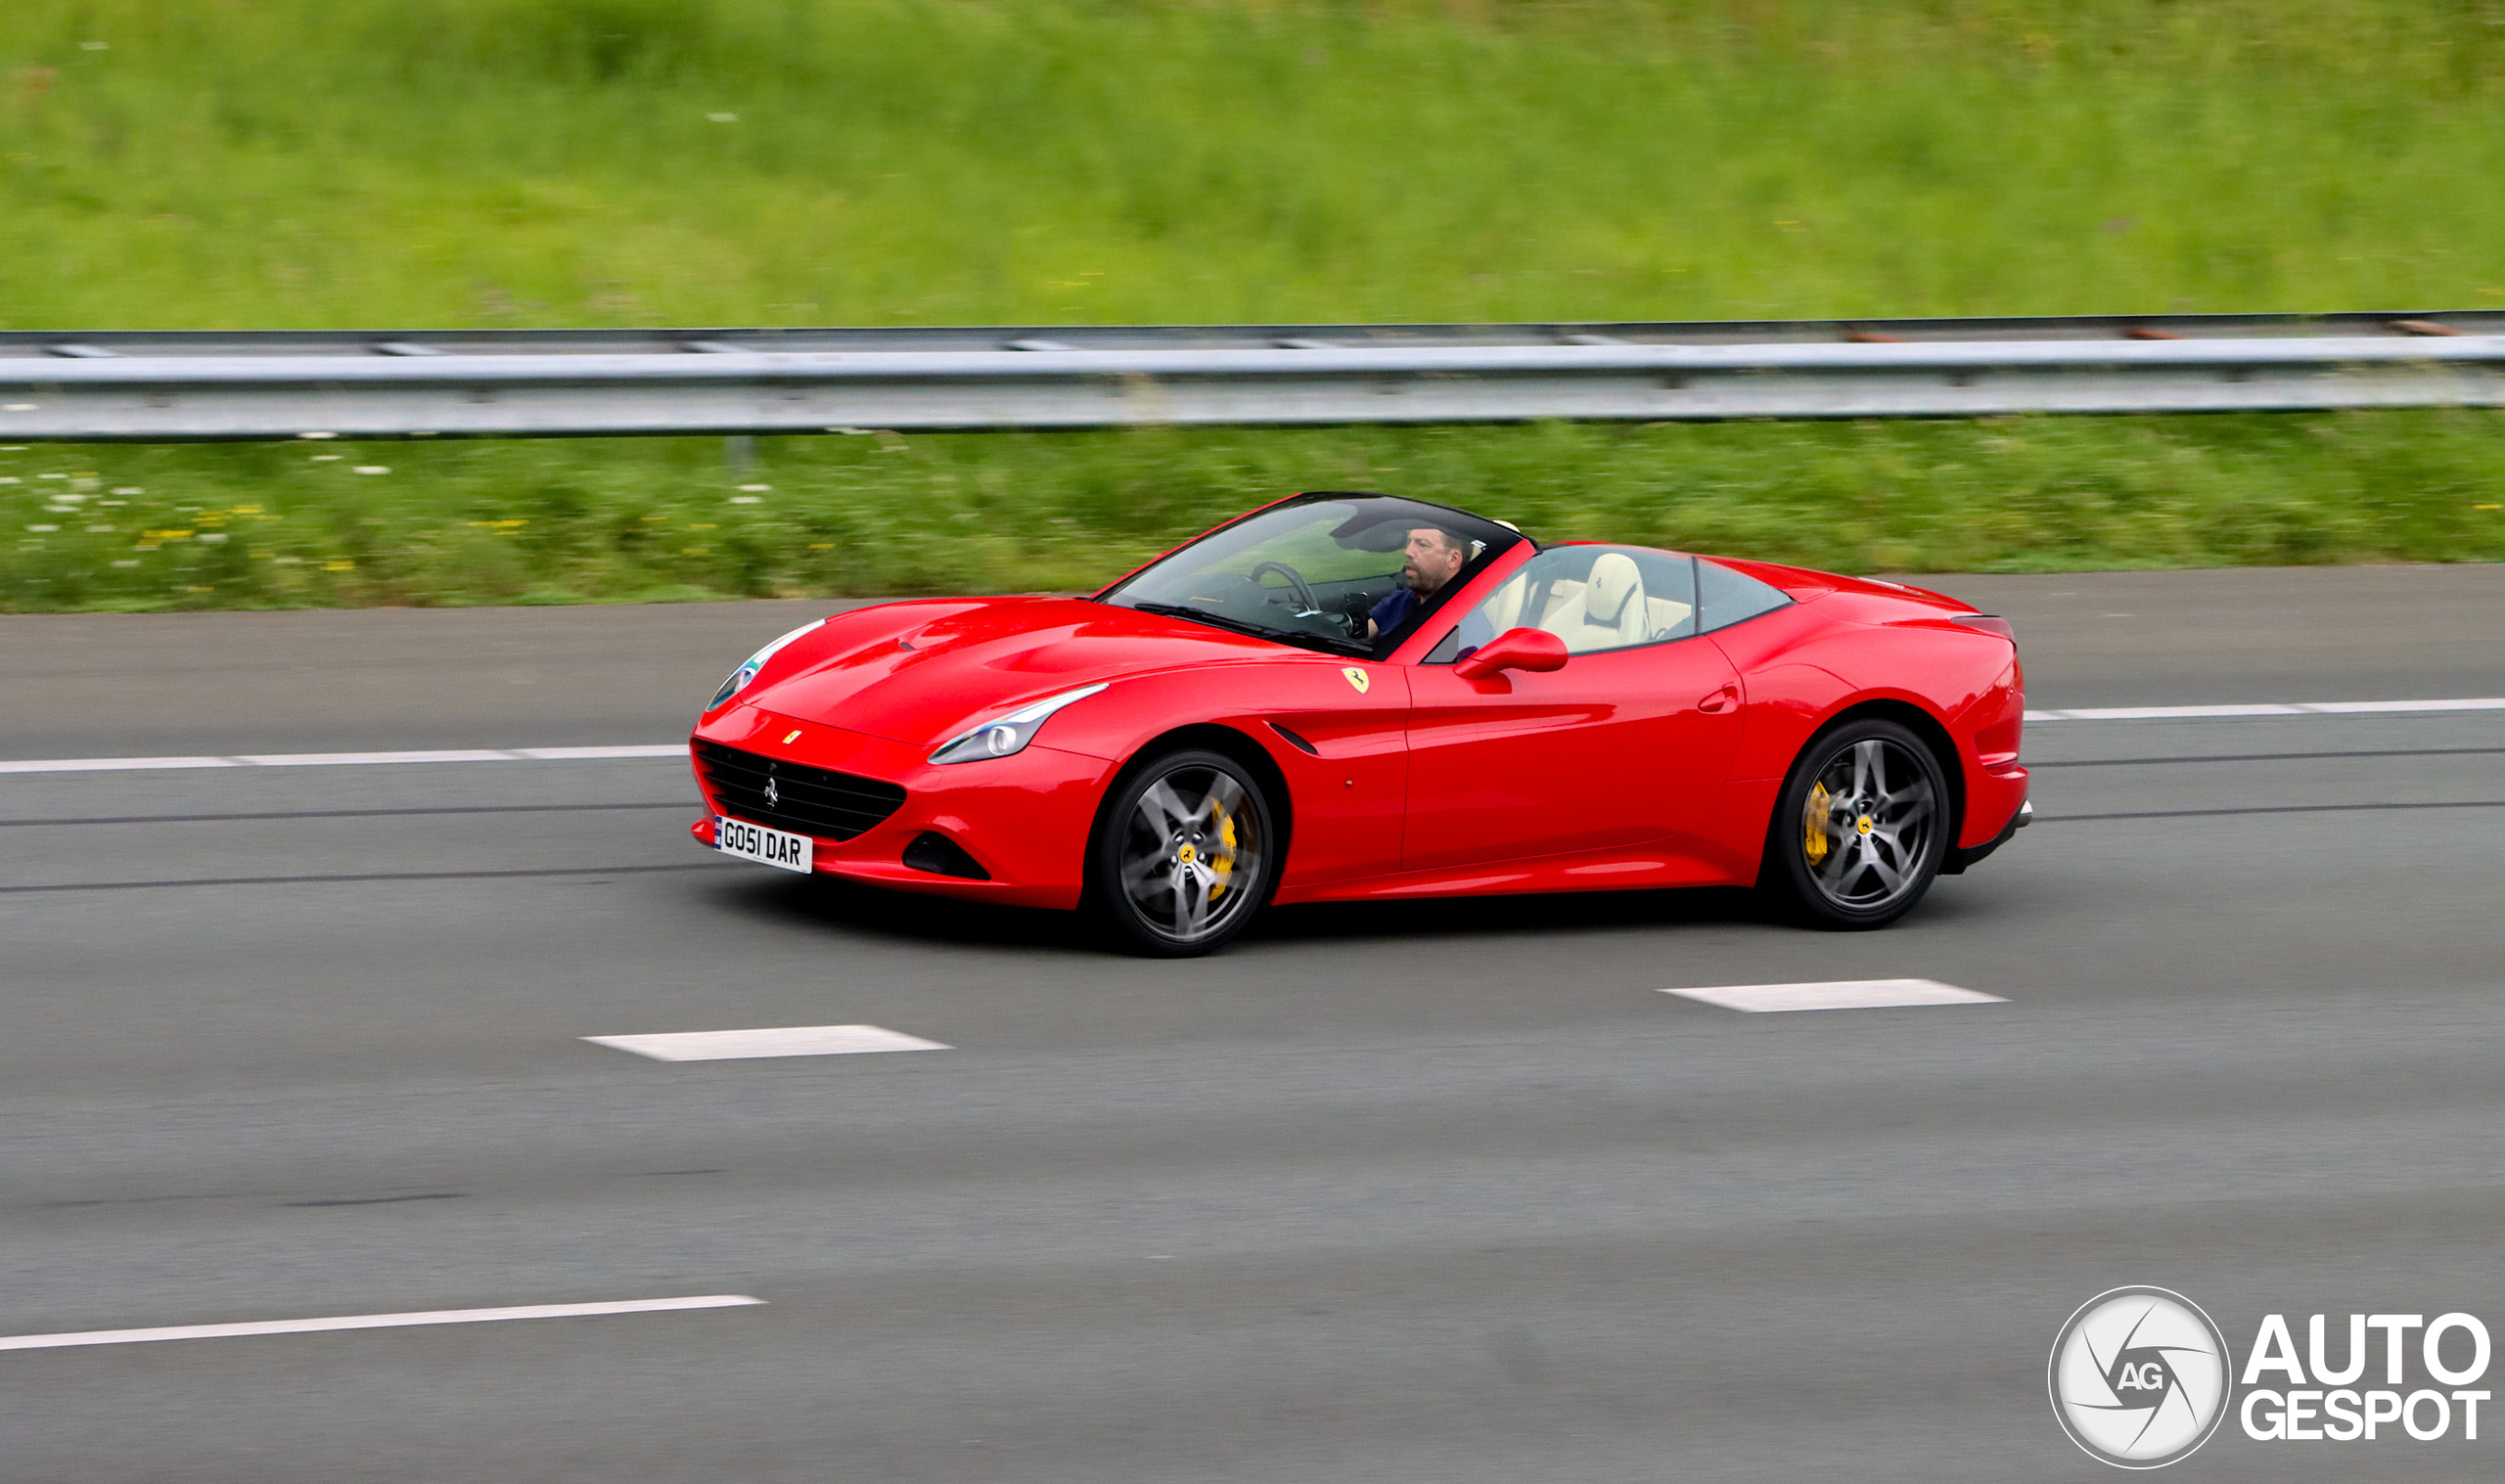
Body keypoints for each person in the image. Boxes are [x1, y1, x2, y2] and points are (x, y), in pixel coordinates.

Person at [1366, 525, 1471, 641]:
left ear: (1453, 559)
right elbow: (1358, 635)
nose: (1408, 552)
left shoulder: (1467, 623)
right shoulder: (1401, 599)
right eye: (1409, 542)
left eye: (1422, 545)